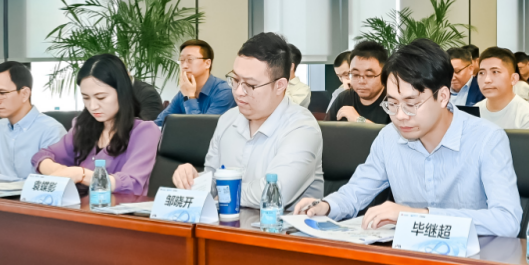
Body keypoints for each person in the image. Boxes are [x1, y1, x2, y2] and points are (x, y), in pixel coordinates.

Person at [292, 38, 521, 236]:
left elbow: (507, 221)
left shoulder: (486, 140)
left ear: (443, 97)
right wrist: (325, 206)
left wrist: (418, 216)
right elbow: (356, 192)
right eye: (392, 103)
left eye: (411, 104)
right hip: (408, 260)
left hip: (471, 261)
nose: (400, 116)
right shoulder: (389, 138)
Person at [173, 31, 324, 207]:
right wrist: (193, 180)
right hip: (227, 222)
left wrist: (224, 193)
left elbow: (274, 192)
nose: (238, 92)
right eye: (235, 80)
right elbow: (213, 183)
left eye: (250, 85)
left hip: (281, 224)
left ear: (280, 85)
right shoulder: (228, 120)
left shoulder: (302, 128)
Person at [32, 55, 159, 194]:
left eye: (101, 97)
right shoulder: (82, 126)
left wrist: (81, 175)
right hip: (78, 205)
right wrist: (60, 171)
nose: (92, 106)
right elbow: (42, 156)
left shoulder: (144, 131)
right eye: (86, 98)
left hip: (117, 207)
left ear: (122, 92)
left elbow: (132, 184)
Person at [157, 39, 236, 125]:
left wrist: (190, 97)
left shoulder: (225, 92)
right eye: (182, 60)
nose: (184, 66)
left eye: (190, 59)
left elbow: (202, 128)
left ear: (207, 63)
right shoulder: (184, 93)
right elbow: (160, 123)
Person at [476, 47, 529, 130]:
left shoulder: (528, 117)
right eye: (481, 73)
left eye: (495, 72)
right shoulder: (474, 112)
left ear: (513, 79)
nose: (487, 80)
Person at [327, 40, 391, 124]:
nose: (361, 81)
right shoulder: (344, 98)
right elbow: (324, 129)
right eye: (355, 74)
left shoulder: (394, 102)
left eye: (369, 75)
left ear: (384, 74)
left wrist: (358, 120)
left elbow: (396, 133)